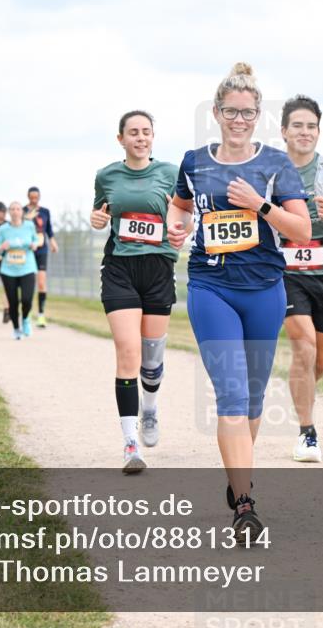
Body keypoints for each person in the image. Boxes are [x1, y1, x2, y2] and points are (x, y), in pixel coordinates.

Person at [167, 63, 311, 538]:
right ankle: (245, 504)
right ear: (216, 112)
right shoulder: (194, 161)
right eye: (231, 111)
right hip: (212, 288)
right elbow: (182, 204)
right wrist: (176, 225)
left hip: (265, 290)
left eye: (248, 113)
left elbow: (302, 230)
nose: (239, 119)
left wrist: (260, 205)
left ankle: (238, 476)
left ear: (258, 116)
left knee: (251, 397)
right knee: (230, 394)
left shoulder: (275, 164)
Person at [91, 110, 179, 474]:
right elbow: (101, 213)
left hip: (158, 267)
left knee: (151, 357)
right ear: (121, 139)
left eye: (146, 132)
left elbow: (183, 215)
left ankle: (150, 409)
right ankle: (130, 445)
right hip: (121, 268)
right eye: (133, 132)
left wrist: (181, 228)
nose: (140, 138)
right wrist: (96, 219)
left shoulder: (171, 174)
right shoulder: (107, 175)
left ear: (153, 137)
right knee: (127, 352)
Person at [275, 96, 323, 463]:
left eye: (311, 126)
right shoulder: (270, 170)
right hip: (284, 268)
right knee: (303, 347)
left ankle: (300, 388)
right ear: (284, 131)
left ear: (318, 131)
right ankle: (308, 433)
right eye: (298, 126)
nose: (305, 132)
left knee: (320, 360)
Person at [0, 202, 40, 340]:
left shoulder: (29, 226)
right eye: (12, 209)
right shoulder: (3, 229)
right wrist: (2, 247)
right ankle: (16, 328)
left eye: (18, 209)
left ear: (22, 212)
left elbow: (36, 241)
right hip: (8, 270)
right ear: (9, 212)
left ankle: (25, 319)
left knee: (27, 299)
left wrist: (34, 245)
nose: (15, 212)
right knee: (12, 301)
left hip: (27, 268)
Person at [24, 186, 59, 328]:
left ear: (39, 197)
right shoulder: (22, 211)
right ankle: (26, 313)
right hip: (26, 250)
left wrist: (53, 242)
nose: (33, 200)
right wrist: (27, 217)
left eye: (36, 197)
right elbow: (18, 226)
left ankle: (41, 314)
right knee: (27, 283)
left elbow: (48, 230)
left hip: (41, 250)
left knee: (41, 282)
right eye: (31, 197)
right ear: (28, 197)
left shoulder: (45, 212)